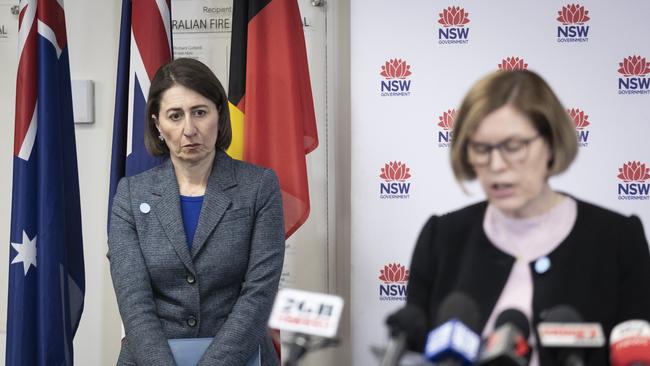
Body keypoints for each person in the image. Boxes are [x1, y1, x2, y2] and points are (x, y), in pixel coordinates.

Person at [406, 70, 650, 365]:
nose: (496, 164)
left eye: (514, 147)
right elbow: (415, 350)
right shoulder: (442, 238)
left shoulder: (617, 239)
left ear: (550, 144)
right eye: (481, 149)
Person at [107, 58, 285, 366]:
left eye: (199, 112)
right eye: (175, 116)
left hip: (241, 358)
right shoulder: (131, 195)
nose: (189, 129)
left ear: (219, 114)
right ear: (157, 125)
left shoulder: (259, 187)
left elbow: (258, 296)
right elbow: (134, 303)